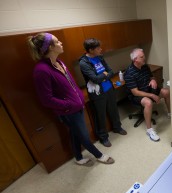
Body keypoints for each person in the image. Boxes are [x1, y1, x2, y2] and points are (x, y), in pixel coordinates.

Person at [27, 32, 114, 166]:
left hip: (77, 105)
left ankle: (78, 158)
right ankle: (100, 155)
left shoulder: (59, 62)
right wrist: (69, 104)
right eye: (57, 42)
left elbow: (71, 84)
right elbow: (46, 99)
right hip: (68, 111)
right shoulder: (41, 70)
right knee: (83, 135)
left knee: (75, 133)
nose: (61, 43)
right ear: (50, 47)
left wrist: (79, 98)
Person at [79, 38, 127, 147]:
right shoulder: (84, 63)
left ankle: (117, 127)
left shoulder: (99, 57)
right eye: (98, 48)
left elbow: (110, 71)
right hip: (97, 93)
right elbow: (95, 79)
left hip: (109, 87)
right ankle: (103, 137)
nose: (101, 49)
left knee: (113, 110)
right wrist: (104, 75)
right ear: (91, 50)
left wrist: (104, 76)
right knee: (100, 115)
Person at [124, 48, 171, 142]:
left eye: (143, 56)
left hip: (148, 89)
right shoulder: (129, 73)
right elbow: (135, 92)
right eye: (142, 57)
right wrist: (152, 95)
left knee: (166, 92)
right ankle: (149, 130)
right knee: (148, 102)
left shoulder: (145, 66)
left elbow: (151, 76)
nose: (144, 58)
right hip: (137, 95)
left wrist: (153, 79)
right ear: (135, 60)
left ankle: (171, 113)